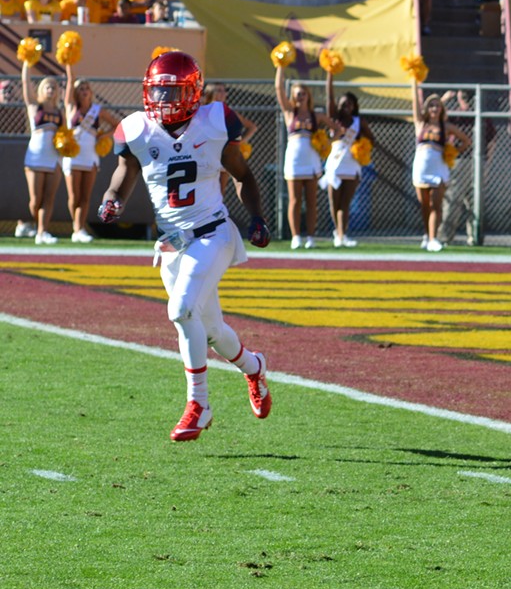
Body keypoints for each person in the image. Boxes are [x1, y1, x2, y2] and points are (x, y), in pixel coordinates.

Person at [98, 50, 273, 442]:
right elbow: (125, 172)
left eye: (172, 92)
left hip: (213, 232)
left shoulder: (215, 122)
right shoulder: (137, 129)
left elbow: (242, 175)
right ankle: (255, 367)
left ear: (193, 92)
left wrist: (256, 218)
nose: (163, 101)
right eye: (158, 92)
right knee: (210, 329)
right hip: (172, 244)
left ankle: (199, 404)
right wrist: (112, 198)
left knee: (180, 309)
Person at [60, 65, 121, 243]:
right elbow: (70, 81)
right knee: (74, 196)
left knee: (85, 196)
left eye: (87, 88)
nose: (84, 91)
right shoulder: (70, 107)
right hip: (72, 156)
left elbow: (116, 124)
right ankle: (76, 226)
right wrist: (69, 64)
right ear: (76, 93)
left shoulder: (98, 110)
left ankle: (79, 228)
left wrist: (103, 136)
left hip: (90, 155)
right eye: (81, 89)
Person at [412, 79, 470, 252]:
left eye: (438, 106)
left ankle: (433, 238)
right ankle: (427, 234)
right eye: (432, 106)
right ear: (427, 108)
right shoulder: (420, 124)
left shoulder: (447, 126)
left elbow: (467, 141)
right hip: (421, 168)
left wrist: (453, 151)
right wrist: (414, 82)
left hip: (439, 167)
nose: (435, 109)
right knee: (425, 206)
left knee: (436, 205)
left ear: (442, 109)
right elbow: (415, 105)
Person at [273, 62, 327, 250]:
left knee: (311, 200)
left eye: (303, 94)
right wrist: (280, 65)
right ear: (293, 97)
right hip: (294, 160)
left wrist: (326, 142)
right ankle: (296, 236)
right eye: (297, 94)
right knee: (295, 200)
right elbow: (279, 88)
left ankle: (311, 237)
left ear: (308, 96)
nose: (300, 97)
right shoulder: (290, 113)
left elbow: (336, 129)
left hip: (311, 160)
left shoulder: (316, 115)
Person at [321, 71, 375, 248]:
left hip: (351, 164)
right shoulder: (334, 119)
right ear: (339, 105)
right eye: (343, 103)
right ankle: (337, 232)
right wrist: (330, 74)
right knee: (333, 201)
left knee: (345, 202)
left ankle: (343, 235)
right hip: (335, 163)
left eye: (350, 104)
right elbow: (329, 98)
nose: (346, 107)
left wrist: (362, 149)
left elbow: (371, 140)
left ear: (354, 106)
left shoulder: (360, 122)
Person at [19, 56, 64, 244]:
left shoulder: (59, 112)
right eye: (48, 87)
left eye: (54, 87)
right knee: (35, 200)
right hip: (36, 156)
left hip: (54, 157)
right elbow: (25, 83)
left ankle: (42, 232)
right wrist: (27, 63)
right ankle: (26, 223)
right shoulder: (34, 107)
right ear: (42, 90)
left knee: (49, 197)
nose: (51, 90)